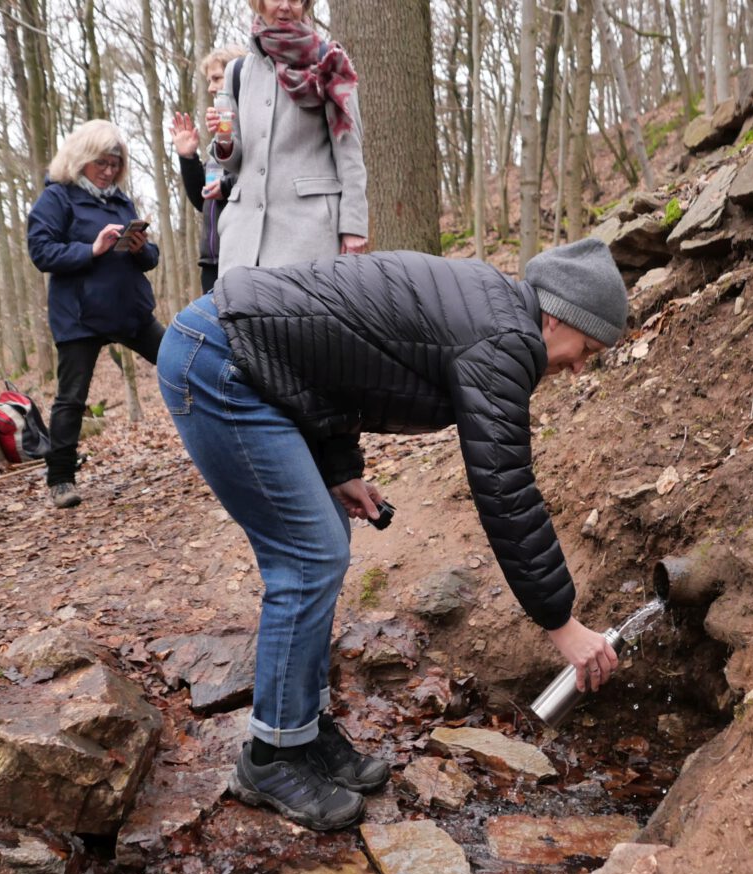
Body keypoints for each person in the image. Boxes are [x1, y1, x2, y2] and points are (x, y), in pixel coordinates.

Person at [157, 238, 628, 831]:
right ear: (556, 315)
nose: (579, 365)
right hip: (219, 359)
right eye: (585, 348)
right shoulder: (506, 340)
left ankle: (302, 730)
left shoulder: (491, 311)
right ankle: (272, 754)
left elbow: (338, 355)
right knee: (308, 555)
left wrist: (339, 470)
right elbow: (505, 489)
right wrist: (562, 624)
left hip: (248, 353)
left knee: (325, 541)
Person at [27, 120, 164, 508]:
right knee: (71, 398)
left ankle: (216, 440)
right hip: (80, 316)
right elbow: (42, 252)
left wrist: (140, 248)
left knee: (181, 362)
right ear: (81, 159)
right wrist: (91, 249)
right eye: (101, 163)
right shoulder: (57, 198)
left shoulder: (121, 200)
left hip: (130, 310)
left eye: (115, 164)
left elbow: (149, 260)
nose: (108, 171)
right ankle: (61, 480)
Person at [206, 0, 368, 272]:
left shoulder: (329, 61)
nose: (284, 6)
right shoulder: (237, 71)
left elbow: (349, 151)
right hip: (243, 246)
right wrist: (223, 140)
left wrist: (353, 227)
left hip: (310, 239)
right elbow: (234, 164)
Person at [173, 46, 245, 293]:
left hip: (243, 258)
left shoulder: (254, 124)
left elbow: (260, 176)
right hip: (212, 262)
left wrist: (226, 187)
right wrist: (188, 157)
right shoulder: (220, 132)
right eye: (209, 81)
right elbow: (203, 198)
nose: (211, 88)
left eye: (217, 78)